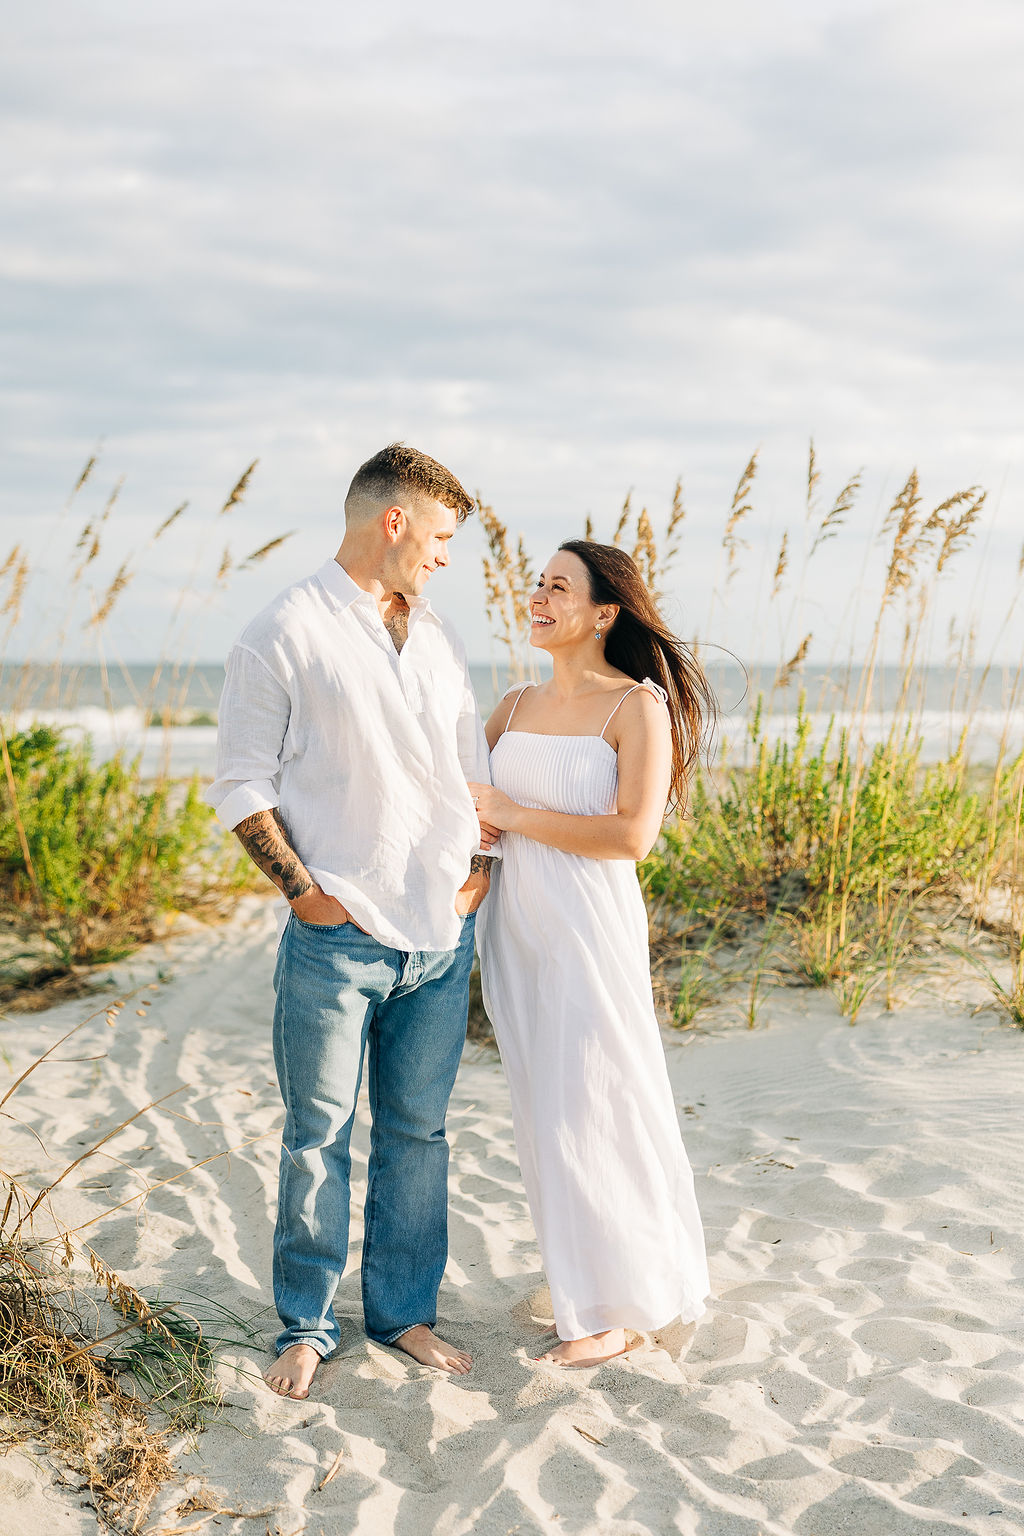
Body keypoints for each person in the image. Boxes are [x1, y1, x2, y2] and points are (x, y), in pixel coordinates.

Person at [206, 443, 496, 1400]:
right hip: (337, 938)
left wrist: (479, 869)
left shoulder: (441, 637)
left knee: (418, 1132)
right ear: (395, 520)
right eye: (443, 536)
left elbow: (469, 772)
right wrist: (302, 892)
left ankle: (403, 1312)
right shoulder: (284, 629)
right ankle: (306, 1323)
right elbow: (242, 780)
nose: (448, 557)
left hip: (438, 941)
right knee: (318, 1134)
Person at [469, 539, 714, 1368]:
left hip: (589, 927)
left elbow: (630, 836)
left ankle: (621, 1306)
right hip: (515, 930)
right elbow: (467, 809)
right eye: (536, 584)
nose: (537, 596)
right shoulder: (510, 706)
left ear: (605, 612)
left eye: (558, 587)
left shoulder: (633, 706)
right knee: (544, 1110)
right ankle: (584, 1288)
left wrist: (515, 811)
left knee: (596, 1100)